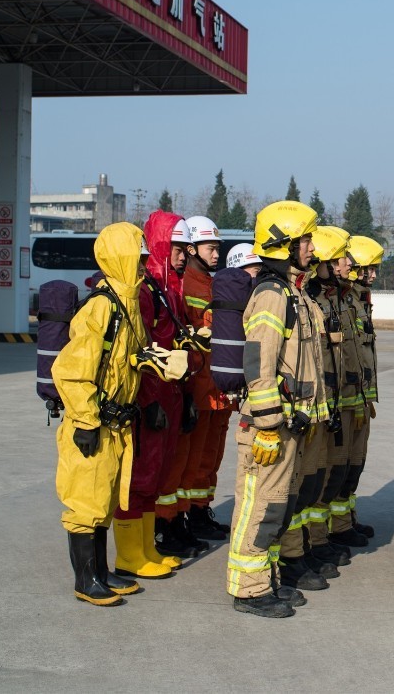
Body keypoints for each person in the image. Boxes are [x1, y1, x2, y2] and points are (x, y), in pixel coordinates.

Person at [53, 222, 185, 606]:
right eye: (138, 258)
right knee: (86, 504)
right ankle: (85, 580)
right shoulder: (101, 307)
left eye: (145, 259)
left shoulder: (126, 304)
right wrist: (86, 422)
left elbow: (131, 357)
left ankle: (101, 571)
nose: (144, 266)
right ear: (120, 258)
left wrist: (167, 363)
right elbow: (72, 372)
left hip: (117, 423)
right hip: (93, 423)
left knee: (106, 501)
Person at [227, 200, 325, 618]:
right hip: (270, 427)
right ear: (284, 244)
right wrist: (268, 424)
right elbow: (259, 367)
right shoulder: (271, 296)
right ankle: (248, 591)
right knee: (260, 506)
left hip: (290, 425)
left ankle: (265, 580)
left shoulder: (293, 293)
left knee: (277, 508)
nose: (311, 246)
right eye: (304, 238)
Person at [111, 211, 192, 577]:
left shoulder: (169, 288)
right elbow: (138, 349)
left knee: (156, 475)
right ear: (161, 244)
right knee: (139, 475)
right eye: (177, 246)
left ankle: (145, 548)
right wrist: (147, 402)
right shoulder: (145, 291)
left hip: (168, 390)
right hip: (151, 394)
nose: (184, 254)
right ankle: (130, 555)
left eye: (186, 247)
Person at [302, 226, 368, 567]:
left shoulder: (338, 299)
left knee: (338, 472)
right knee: (317, 477)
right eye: (341, 258)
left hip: (341, 400)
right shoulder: (312, 300)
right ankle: (311, 540)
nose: (349, 264)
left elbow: (352, 355)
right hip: (322, 405)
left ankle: (324, 533)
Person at [178, 215, 234, 542]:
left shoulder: (214, 284)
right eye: (211, 248)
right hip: (198, 385)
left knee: (211, 457)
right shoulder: (186, 285)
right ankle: (181, 518)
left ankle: (200, 511)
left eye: (217, 249)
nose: (216, 255)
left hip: (217, 387)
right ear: (193, 248)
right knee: (192, 458)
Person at [343, 235, 385, 539]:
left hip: (358, 400)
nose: (373, 275)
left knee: (355, 463)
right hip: (344, 399)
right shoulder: (348, 302)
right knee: (338, 467)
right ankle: (335, 527)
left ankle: (346, 517)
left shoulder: (359, 301)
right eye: (369, 269)